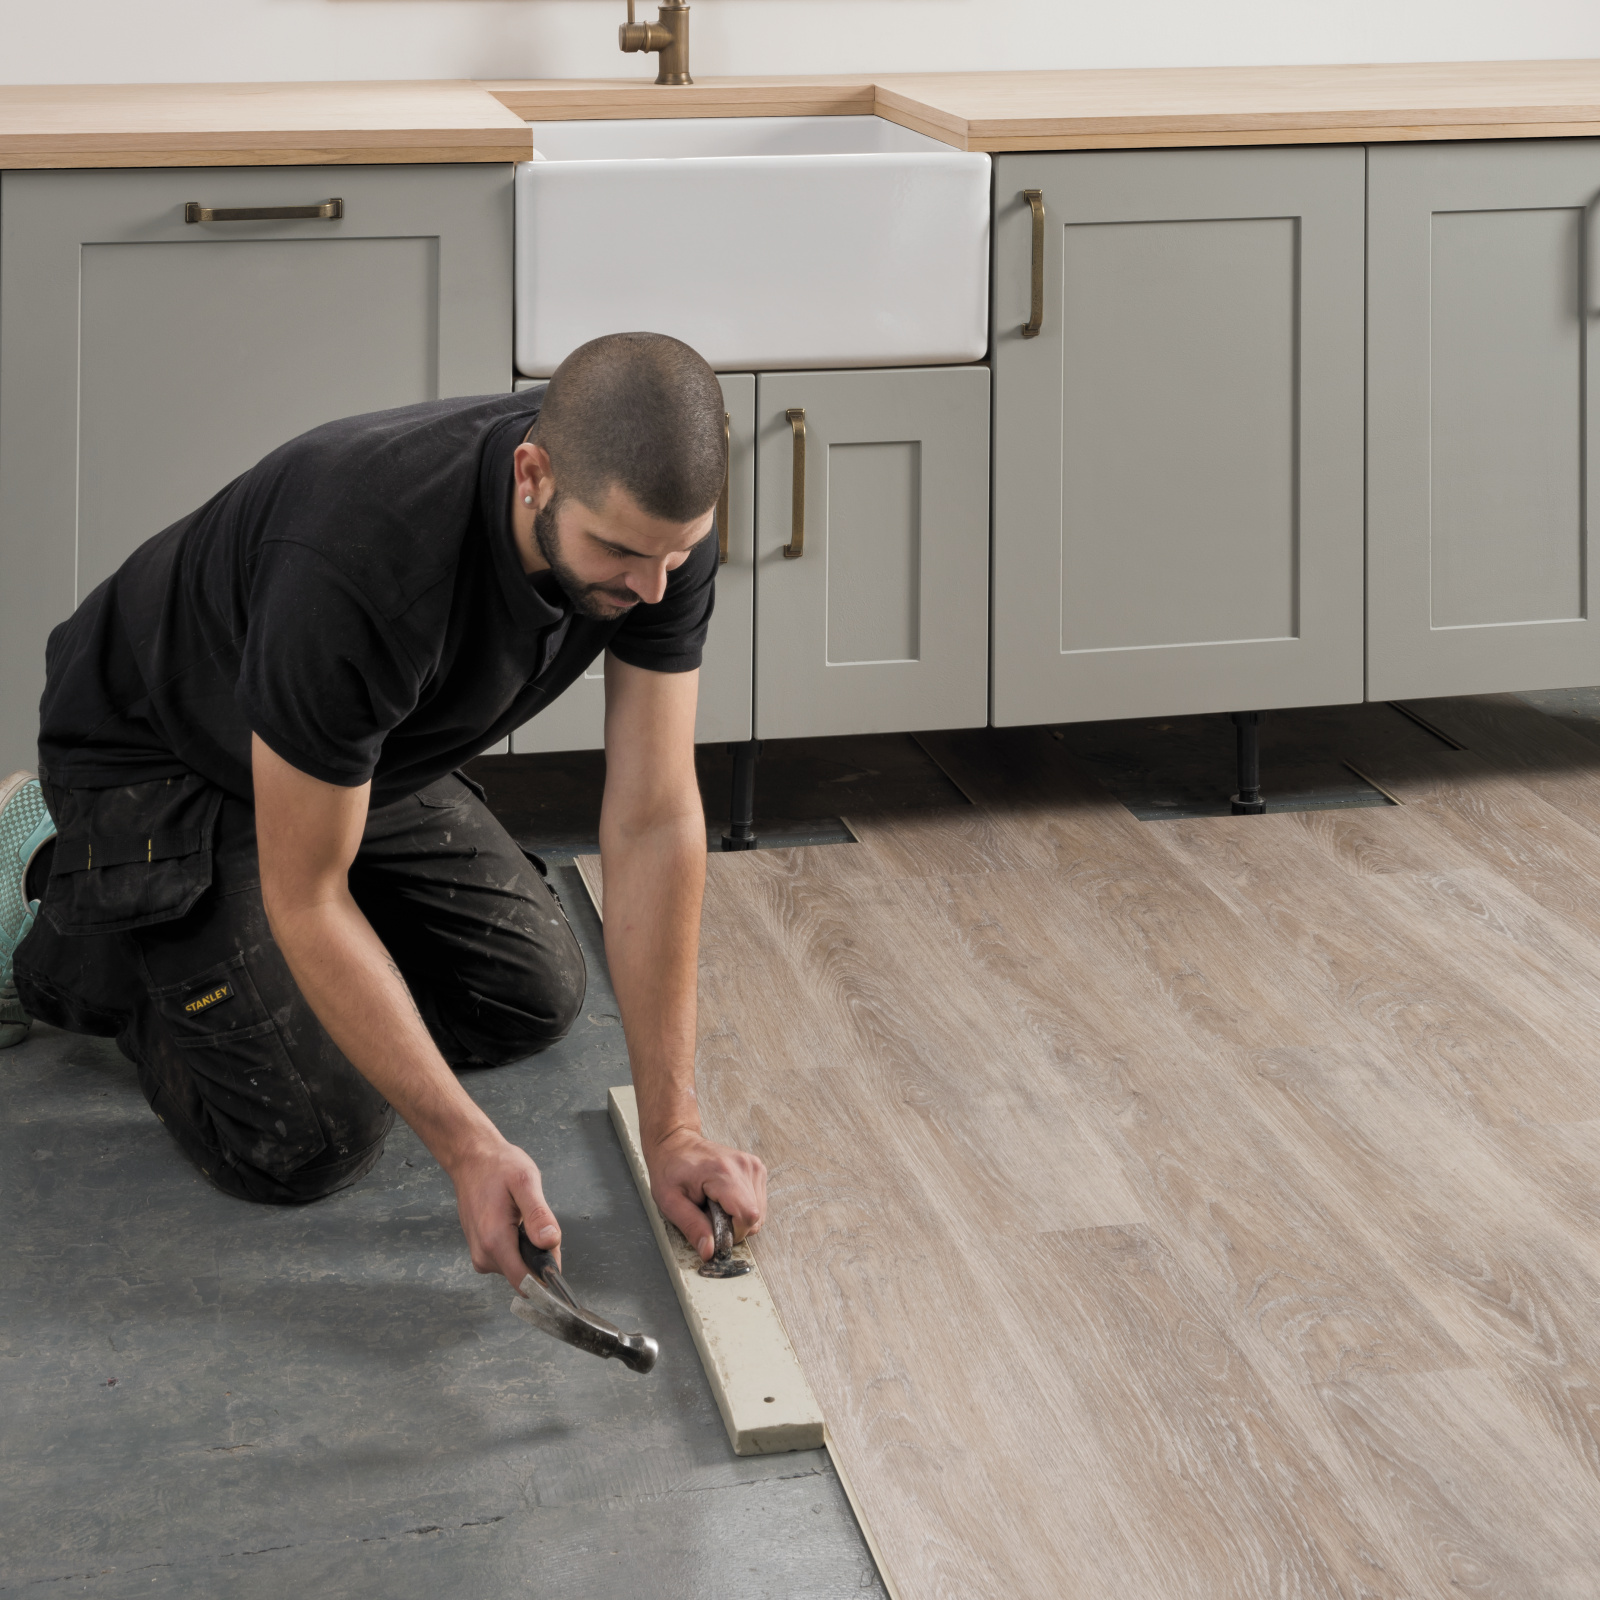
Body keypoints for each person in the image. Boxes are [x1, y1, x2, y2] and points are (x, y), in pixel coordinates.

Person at [0, 331, 767, 1289]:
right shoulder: (363, 560)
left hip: (341, 757)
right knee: (310, 1136)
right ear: (533, 474)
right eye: (619, 552)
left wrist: (675, 1129)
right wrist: (470, 1151)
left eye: (677, 555)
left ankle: (252, 962)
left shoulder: (654, 529)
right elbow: (311, 894)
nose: (654, 588)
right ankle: (63, 904)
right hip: (155, 759)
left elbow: (654, 816)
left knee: (531, 996)